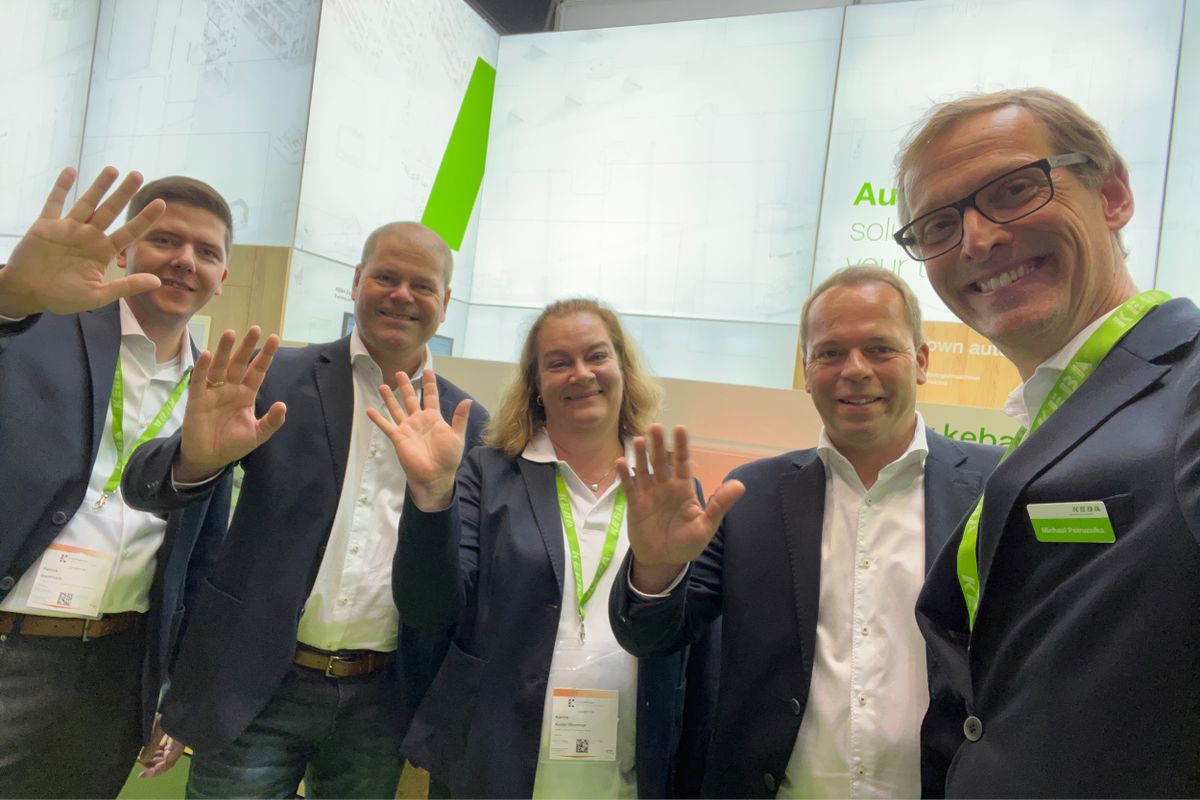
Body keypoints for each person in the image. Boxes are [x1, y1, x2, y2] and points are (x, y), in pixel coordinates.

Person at [892, 87, 1200, 796]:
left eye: (1015, 189)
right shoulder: (1059, 416)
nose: (978, 239)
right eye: (938, 224)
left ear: (1113, 195)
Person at [121, 221, 488, 798]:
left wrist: (435, 494)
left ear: (445, 303)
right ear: (357, 282)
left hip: (382, 696)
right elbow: (152, 491)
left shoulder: (469, 426)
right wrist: (194, 459)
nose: (401, 295)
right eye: (386, 277)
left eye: (422, 285)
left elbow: (452, 587)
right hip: (258, 682)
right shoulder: (275, 378)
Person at [609, 266, 1003, 798]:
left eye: (880, 349)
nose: (855, 370)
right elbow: (652, 636)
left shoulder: (994, 488)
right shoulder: (752, 496)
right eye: (831, 352)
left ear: (922, 361)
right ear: (807, 367)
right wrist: (655, 569)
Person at [369, 297, 715, 798]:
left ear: (622, 368)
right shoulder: (489, 473)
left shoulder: (665, 486)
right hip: (494, 754)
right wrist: (430, 497)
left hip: (628, 761)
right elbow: (430, 607)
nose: (581, 374)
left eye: (597, 356)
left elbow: (690, 640)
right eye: (558, 362)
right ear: (534, 384)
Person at [0, 167, 238, 797]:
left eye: (207, 252)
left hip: (116, 665)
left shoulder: (216, 390)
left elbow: (202, 558)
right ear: (127, 250)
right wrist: (8, 299)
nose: (185, 261)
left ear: (222, 279)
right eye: (165, 240)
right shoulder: (37, 325)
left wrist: (176, 688)